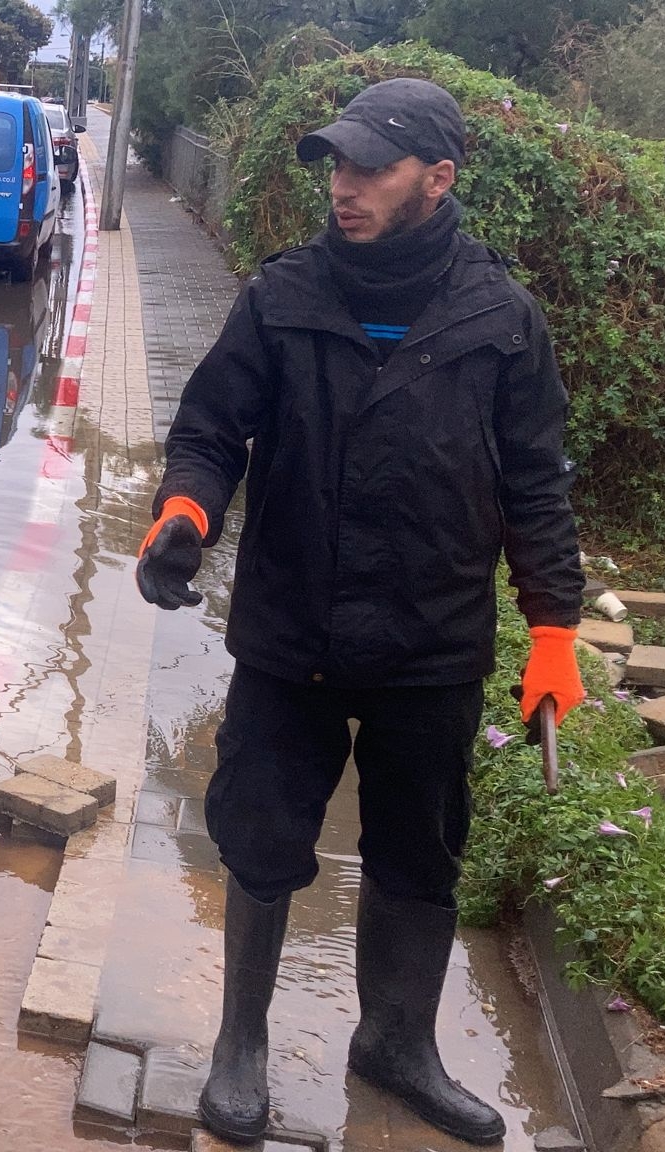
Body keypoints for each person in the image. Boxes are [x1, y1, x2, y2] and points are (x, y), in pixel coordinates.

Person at [134, 78, 583, 1144]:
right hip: (292, 631)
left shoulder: (499, 319)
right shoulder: (281, 296)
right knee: (260, 830)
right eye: (334, 166)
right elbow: (208, 426)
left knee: (418, 852)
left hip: (430, 642)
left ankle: (394, 1044)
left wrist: (554, 630)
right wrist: (185, 511)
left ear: (436, 179)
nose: (342, 187)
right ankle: (240, 1043)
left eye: (368, 168)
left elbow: (536, 484)